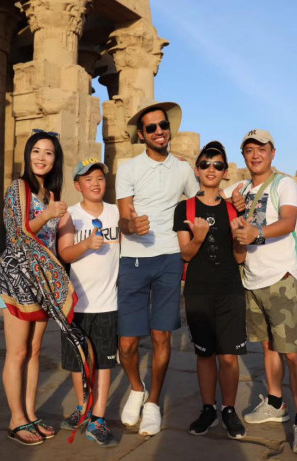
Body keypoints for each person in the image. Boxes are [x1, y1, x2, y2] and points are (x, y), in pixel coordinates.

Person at [0, 130, 88, 446]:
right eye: (36, 151)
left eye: (48, 152)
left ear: (55, 159)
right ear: (28, 154)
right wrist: (48, 214)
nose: (41, 157)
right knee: (17, 352)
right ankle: (15, 419)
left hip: (42, 282)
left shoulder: (52, 194)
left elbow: (59, 244)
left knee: (34, 351)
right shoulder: (17, 188)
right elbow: (16, 233)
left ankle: (30, 414)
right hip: (18, 278)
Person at [224, 129, 297, 454]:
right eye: (249, 150)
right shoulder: (243, 189)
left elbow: (288, 221)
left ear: (272, 152)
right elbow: (210, 192)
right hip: (253, 279)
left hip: (281, 277)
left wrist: (256, 232)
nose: (255, 154)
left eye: (261, 149)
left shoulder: (284, 184)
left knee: (292, 352)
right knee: (268, 347)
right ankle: (276, 403)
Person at [116, 100, 199, 436]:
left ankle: (153, 403)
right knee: (127, 344)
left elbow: (198, 204)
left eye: (163, 126)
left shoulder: (182, 170)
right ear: (142, 134)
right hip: (134, 258)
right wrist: (131, 227)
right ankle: (137, 388)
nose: (159, 132)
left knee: (161, 335)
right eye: (152, 127)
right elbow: (123, 218)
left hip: (168, 257)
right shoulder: (129, 169)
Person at [173, 141, 247, 439]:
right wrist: (199, 236)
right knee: (205, 355)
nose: (211, 169)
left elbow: (240, 257)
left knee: (228, 356)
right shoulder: (185, 208)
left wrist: (241, 237)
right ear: (197, 170)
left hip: (229, 289)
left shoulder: (233, 209)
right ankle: (208, 409)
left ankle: (228, 409)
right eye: (205, 164)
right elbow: (185, 254)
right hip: (198, 291)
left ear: (225, 172)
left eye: (217, 165)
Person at [58, 158, 120, 447]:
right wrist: (86, 244)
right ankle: (83, 407)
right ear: (77, 185)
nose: (95, 183)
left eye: (100, 178)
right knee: (78, 363)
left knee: (105, 364)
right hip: (77, 305)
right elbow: (65, 254)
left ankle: (98, 418)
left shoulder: (117, 213)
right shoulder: (70, 215)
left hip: (108, 303)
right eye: (88, 179)